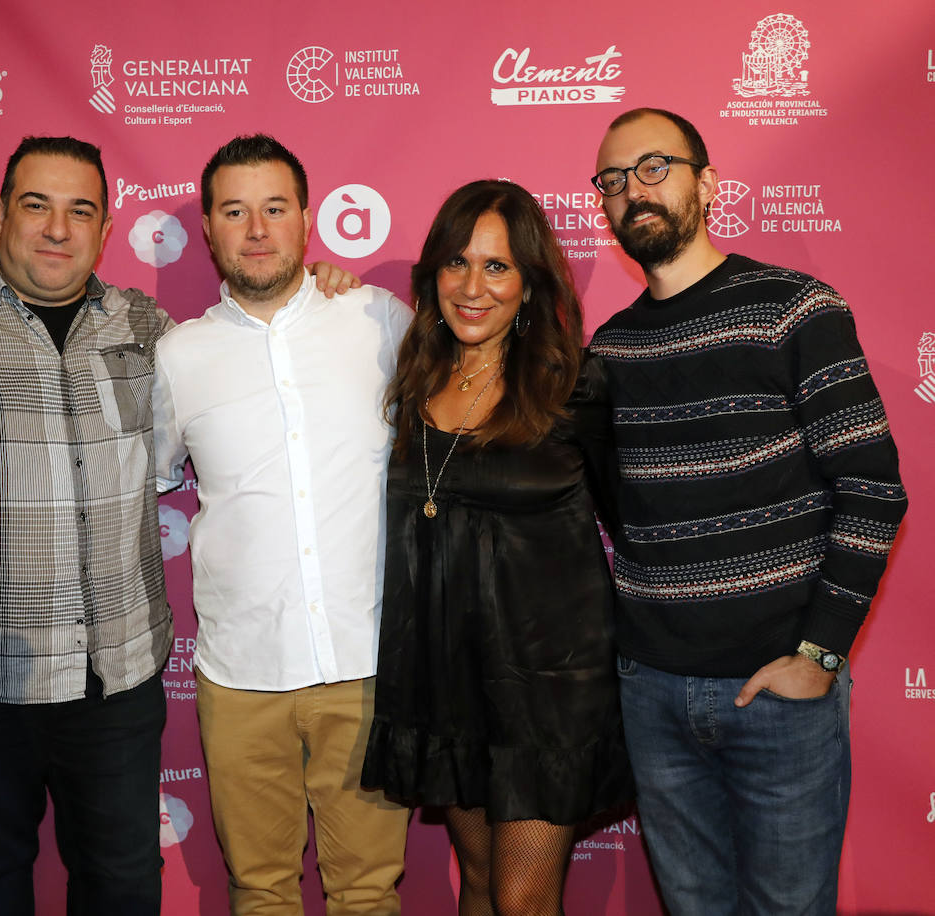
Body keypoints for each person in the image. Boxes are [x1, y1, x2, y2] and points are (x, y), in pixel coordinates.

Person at [0, 135, 358, 915]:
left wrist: (325, 288)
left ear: (106, 230)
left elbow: (196, 442)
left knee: (124, 890)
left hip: (116, 681)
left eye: (81, 211)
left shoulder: (146, 327)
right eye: (36, 206)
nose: (57, 229)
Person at [588, 107, 907, 914]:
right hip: (652, 695)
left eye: (655, 167)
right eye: (614, 180)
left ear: (708, 183)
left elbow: (873, 487)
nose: (635, 192)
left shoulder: (794, 308)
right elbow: (620, 515)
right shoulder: (610, 350)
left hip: (780, 697)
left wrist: (821, 656)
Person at [153, 134, 413, 915]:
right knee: (259, 892)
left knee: (368, 894)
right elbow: (160, 473)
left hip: (365, 664)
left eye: (275, 208)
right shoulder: (178, 356)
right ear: (208, 229)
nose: (257, 229)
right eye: (236, 211)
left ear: (307, 218)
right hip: (241, 677)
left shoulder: (380, 319)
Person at [361, 180, 633, 915]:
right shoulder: (412, 379)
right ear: (432, 277)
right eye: (456, 263)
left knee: (521, 898)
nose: (472, 287)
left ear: (530, 283)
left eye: (497, 267)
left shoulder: (574, 386)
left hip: (549, 694)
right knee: (477, 885)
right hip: (448, 685)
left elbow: (634, 527)